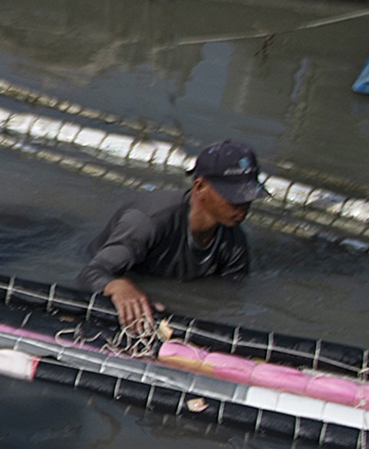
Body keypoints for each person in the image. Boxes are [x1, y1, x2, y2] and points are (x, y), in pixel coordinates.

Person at [79, 140, 266, 330]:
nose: (244, 204)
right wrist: (116, 286)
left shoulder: (235, 243)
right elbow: (91, 272)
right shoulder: (147, 221)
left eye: (249, 195)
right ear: (200, 187)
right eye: (235, 196)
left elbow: (228, 298)